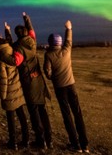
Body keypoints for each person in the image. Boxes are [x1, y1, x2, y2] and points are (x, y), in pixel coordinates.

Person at [0, 12, 52, 149]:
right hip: (39, 81)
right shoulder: (32, 41)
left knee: (34, 114)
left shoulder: (19, 48)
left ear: (17, 35)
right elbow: (31, 30)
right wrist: (26, 19)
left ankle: (41, 141)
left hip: (30, 83)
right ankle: (49, 140)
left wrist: (1, 55)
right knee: (43, 111)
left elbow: (15, 61)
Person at [44, 20, 90, 153]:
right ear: (59, 43)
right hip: (71, 85)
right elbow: (68, 41)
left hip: (60, 88)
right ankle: (84, 144)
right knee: (78, 113)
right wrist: (69, 28)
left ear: (50, 43)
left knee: (67, 115)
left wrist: (53, 77)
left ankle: (75, 144)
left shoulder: (48, 55)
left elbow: (47, 72)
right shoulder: (66, 51)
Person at [0, 35, 30, 150]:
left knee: (10, 119)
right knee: (21, 115)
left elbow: (3, 79)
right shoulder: (12, 52)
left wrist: (3, 96)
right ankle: (26, 139)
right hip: (18, 89)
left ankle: (13, 142)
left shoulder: (1, 58)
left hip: (9, 92)